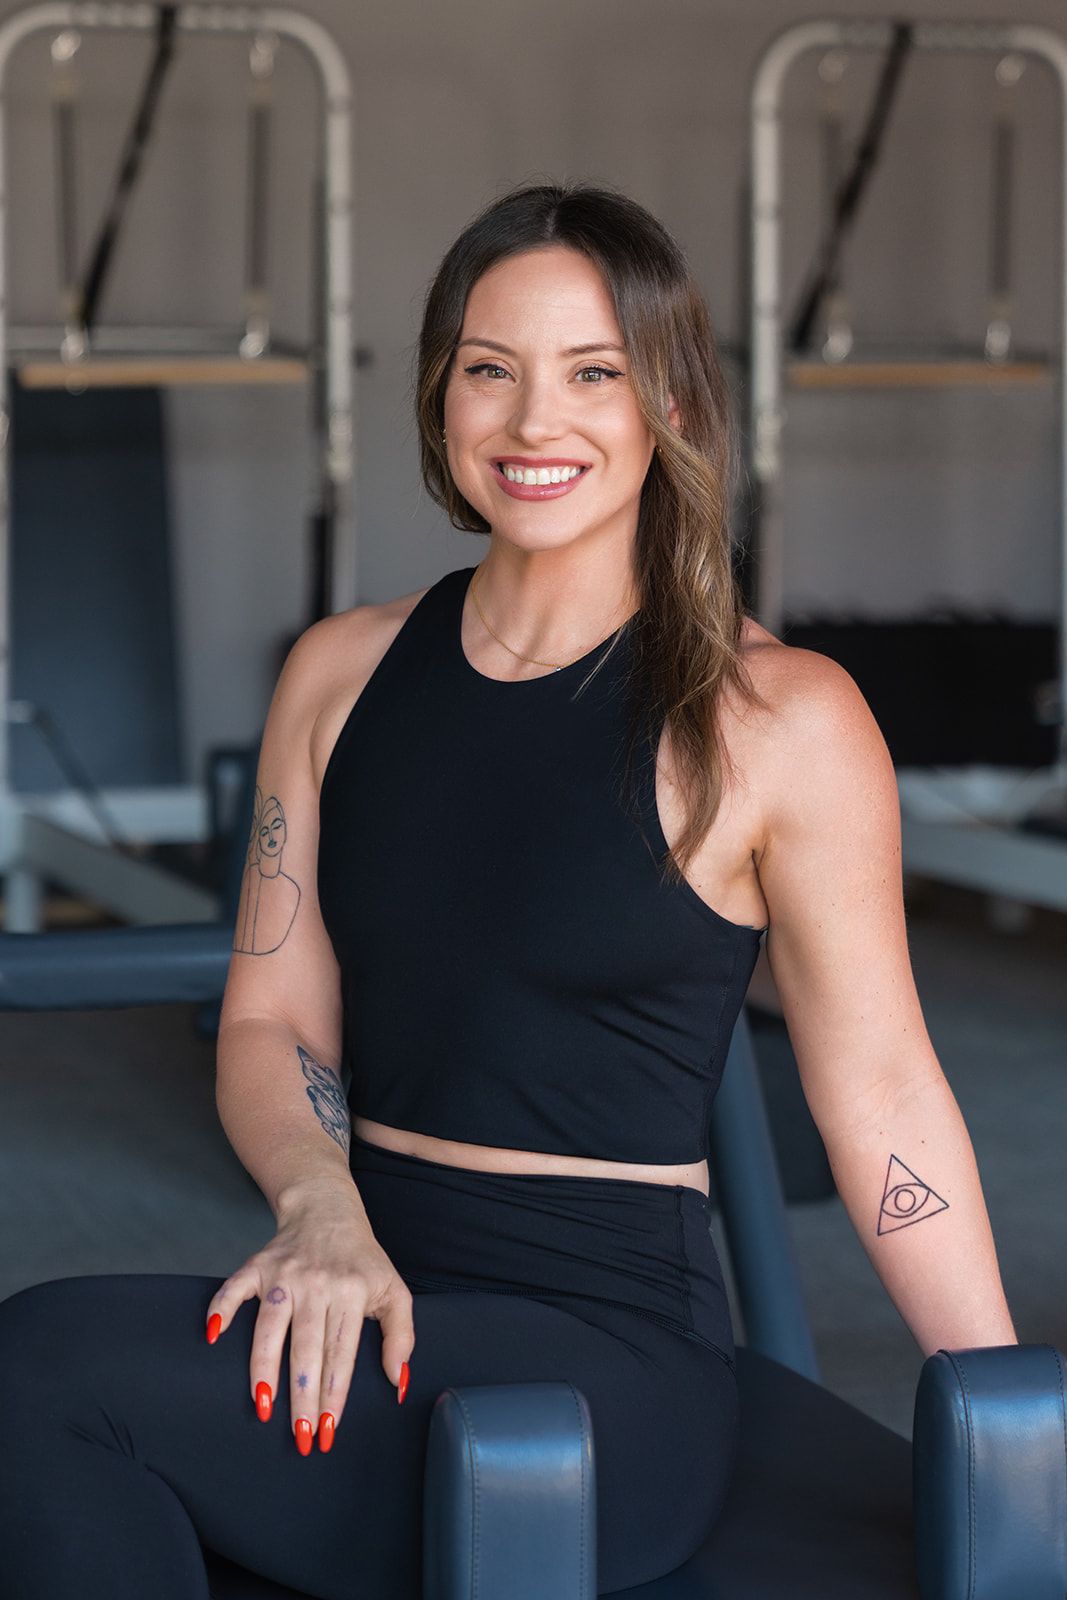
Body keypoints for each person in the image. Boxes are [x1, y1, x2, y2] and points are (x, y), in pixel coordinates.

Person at [0, 180, 1017, 1599]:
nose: (538, 423)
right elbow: (268, 1026)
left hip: (610, 1352)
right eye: (493, 371)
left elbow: (889, 1090)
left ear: (667, 404)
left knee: (41, 1374)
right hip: (370, 1291)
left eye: (595, 374)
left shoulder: (775, 716)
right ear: (442, 397)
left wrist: (1014, 1412)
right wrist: (320, 1208)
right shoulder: (340, 674)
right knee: (47, 1404)